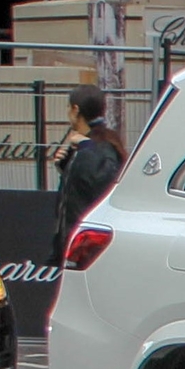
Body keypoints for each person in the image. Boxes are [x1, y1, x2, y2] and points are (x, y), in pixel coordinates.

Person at [51, 85, 126, 266]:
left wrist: (86, 148)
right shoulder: (90, 145)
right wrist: (65, 167)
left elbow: (103, 184)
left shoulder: (98, 146)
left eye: (69, 108)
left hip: (86, 247)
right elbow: (80, 186)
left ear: (75, 110)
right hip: (74, 243)